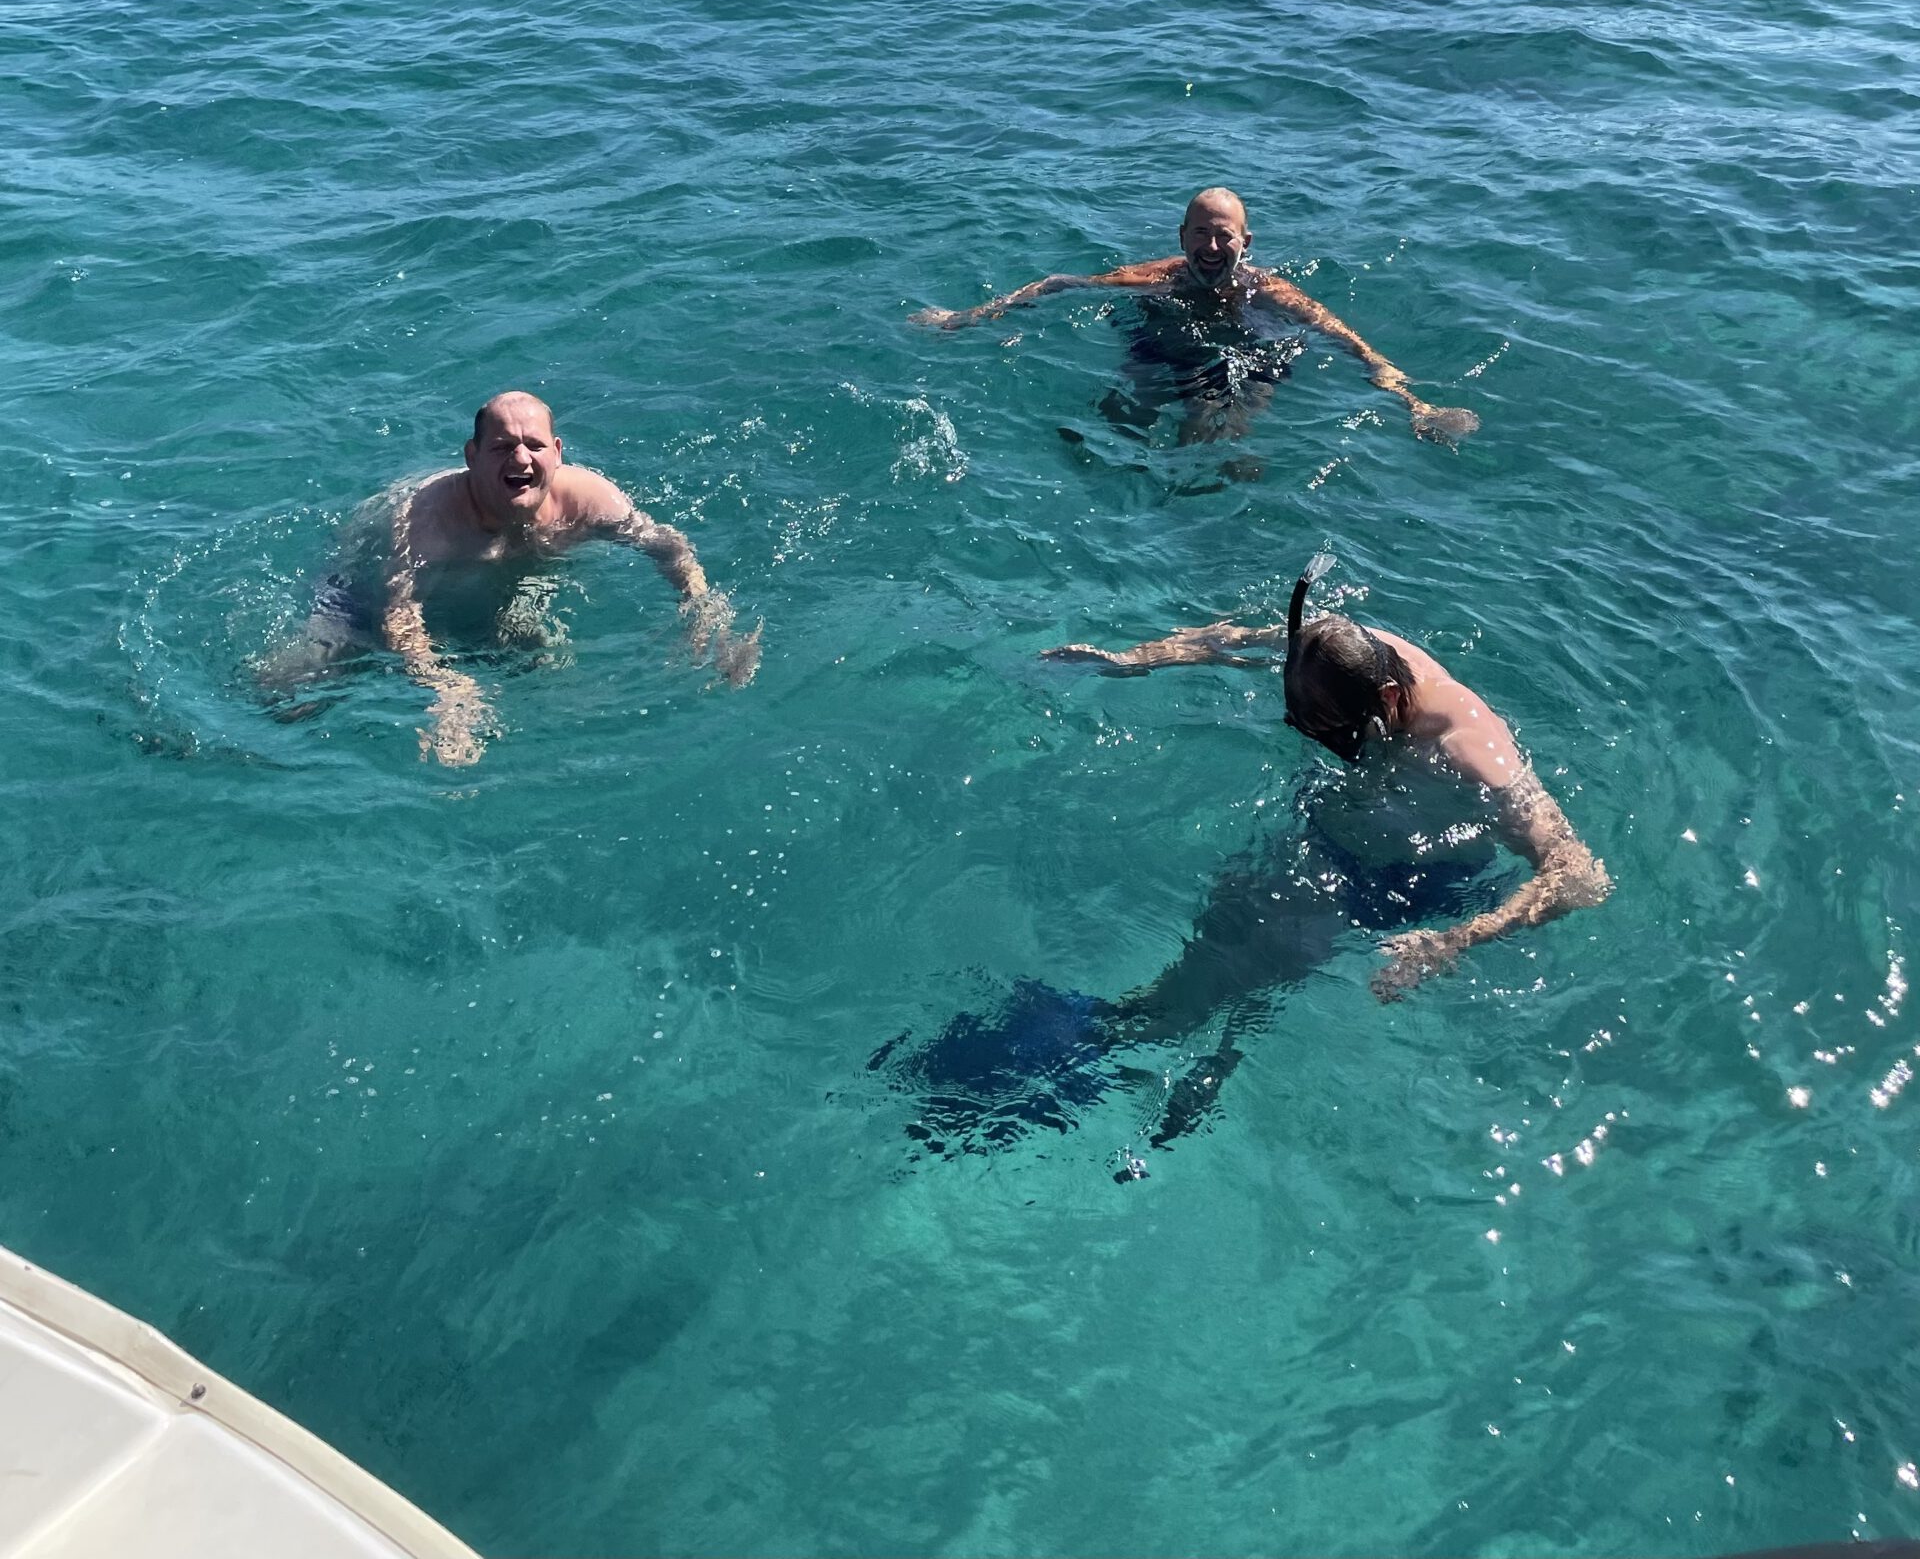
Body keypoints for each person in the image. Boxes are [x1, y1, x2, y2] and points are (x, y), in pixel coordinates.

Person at [876, 574, 1607, 1157]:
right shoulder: (1348, 651)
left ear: (1386, 699)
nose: (1319, 743)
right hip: (1345, 841)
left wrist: (1453, 943)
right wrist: (1131, 661)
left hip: (1417, 884)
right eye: (1303, 728)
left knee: (1225, 973)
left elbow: (1578, 873)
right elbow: (1230, 638)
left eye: (1333, 735)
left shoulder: (1472, 753)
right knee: (1231, 948)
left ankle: (1106, 1055)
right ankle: (1195, 1053)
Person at [256, 392, 759, 766]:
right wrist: (446, 689)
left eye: (533, 445)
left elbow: (669, 547)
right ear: (471, 456)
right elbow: (396, 614)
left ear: (557, 452)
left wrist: (706, 612)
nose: (521, 459)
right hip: (361, 599)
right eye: (502, 447)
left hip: (499, 589)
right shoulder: (427, 524)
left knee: (541, 668)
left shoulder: (589, 500)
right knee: (292, 697)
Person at [909, 187, 1478, 444]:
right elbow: (1061, 283)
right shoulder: (1155, 277)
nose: (1210, 246)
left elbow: (1350, 342)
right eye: (1200, 233)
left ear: (1245, 242)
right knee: (1121, 418)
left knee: (1219, 433)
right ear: (1182, 236)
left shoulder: (1272, 291)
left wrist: (1414, 403)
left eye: (1222, 235)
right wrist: (968, 317)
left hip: (1252, 352)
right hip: (1169, 341)